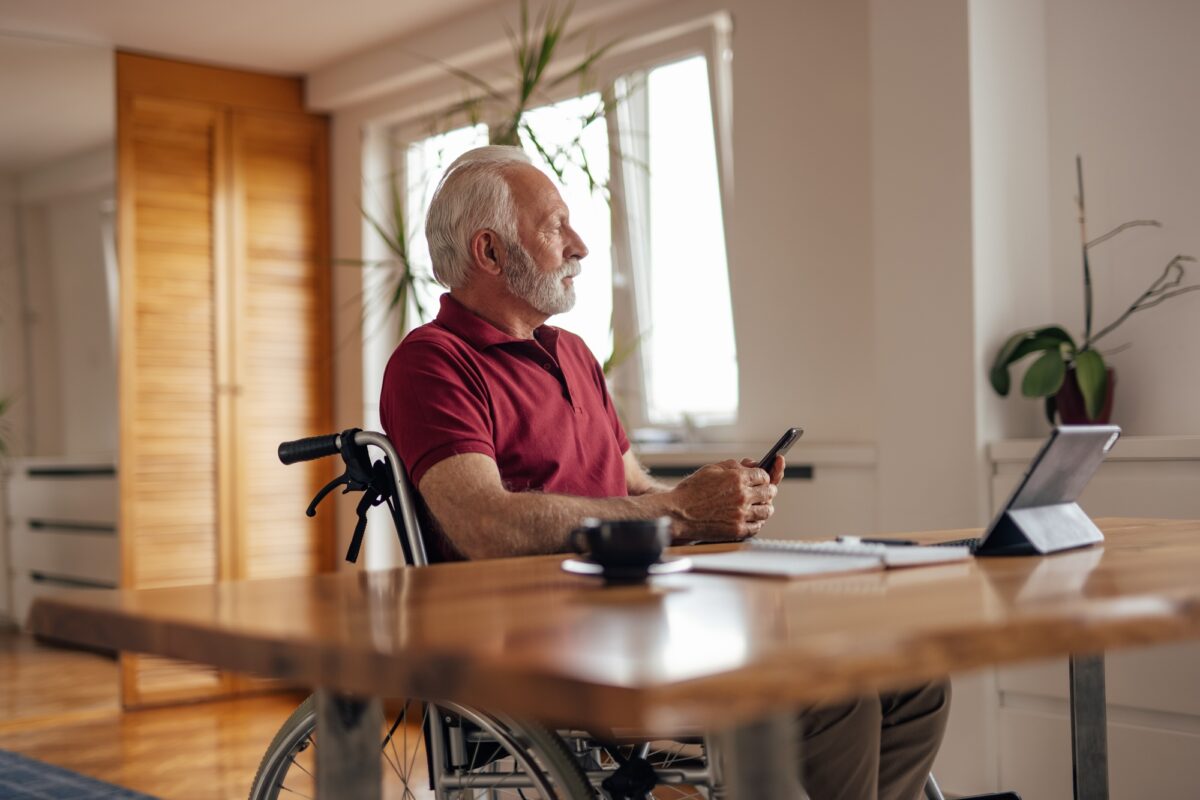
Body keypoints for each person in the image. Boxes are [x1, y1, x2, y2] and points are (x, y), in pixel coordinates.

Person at [380, 145, 949, 800]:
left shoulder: (572, 354)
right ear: (489, 251)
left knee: (916, 680)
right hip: (543, 656)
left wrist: (717, 501)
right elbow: (482, 524)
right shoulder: (431, 363)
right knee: (830, 700)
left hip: (647, 621)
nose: (581, 246)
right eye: (555, 226)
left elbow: (638, 493)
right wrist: (679, 511)